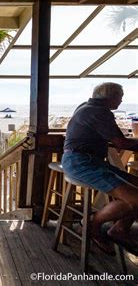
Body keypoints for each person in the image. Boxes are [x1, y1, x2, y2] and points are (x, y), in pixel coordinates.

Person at [62, 82, 138, 254]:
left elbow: (109, 137)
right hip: (82, 164)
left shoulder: (85, 107)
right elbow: (121, 143)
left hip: (81, 160)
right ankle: (92, 225)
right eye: (120, 97)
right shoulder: (100, 112)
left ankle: (119, 229)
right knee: (135, 199)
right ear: (110, 97)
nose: (121, 101)